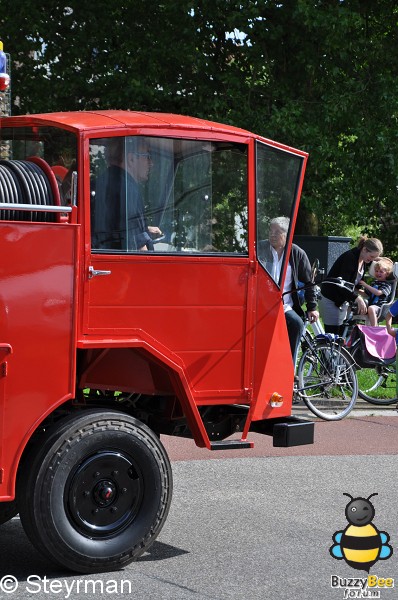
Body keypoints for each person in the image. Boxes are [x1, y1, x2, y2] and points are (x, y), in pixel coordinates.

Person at [258, 216, 319, 362]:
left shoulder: (297, 253)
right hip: (260, 305)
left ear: (287, 234)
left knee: (296, 323)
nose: (272, 235)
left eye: (277, 232)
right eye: (270, 231)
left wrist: (312, 307)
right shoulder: (260, 249)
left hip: (284, 305)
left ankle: (289, 367)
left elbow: (309, 282)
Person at [92, 137, 162, 251]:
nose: (151, 163)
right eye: (147, 156)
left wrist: (145, 229)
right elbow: (138, 246)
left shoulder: (101, 182)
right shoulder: (127, 189)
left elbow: (114, 229)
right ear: (131, 159)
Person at [319, 237, 383, 335]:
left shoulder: (363, 260)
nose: (372, 260)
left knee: (341, 336)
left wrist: (364, 294)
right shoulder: (350, 258)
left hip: (342, 301)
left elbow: (355, 284)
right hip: (331, 298)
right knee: (332, 336)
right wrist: (358, 298)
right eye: (372, 256)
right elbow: (343, 284)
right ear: (364, 249)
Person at [358, 257, 393, 326]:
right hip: (371, 305)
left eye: (381, 272)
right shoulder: (374, 283)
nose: (378, 273)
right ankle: (350, 323)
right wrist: (355, 290)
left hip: (380, 307)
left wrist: (366, 285)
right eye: (376, 271)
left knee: (371, 308)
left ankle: (374, 328)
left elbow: (378, 293)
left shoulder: (387, 285)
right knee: (356, 303)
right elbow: (366, 294)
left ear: (387, 274)